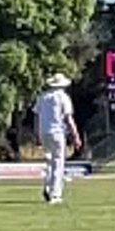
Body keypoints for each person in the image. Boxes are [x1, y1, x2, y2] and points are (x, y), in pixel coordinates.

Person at [34, 73, 81, 204]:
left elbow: (36, 116)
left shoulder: (42, 97)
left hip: (44, 132)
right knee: (58, 163)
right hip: (57, 132)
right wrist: (76, 136)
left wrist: (37, 134)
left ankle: (47, 187)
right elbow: (68, 119)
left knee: (49, 161)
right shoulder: (63, 98)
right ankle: (55, 194)